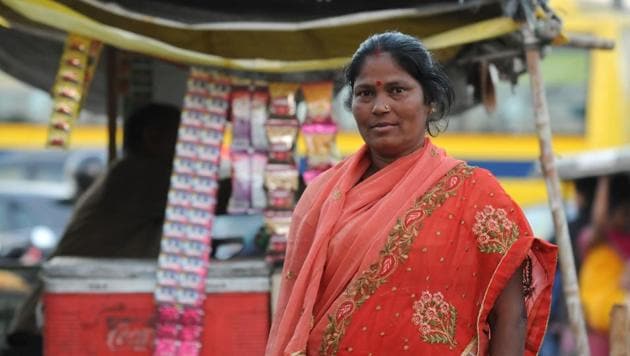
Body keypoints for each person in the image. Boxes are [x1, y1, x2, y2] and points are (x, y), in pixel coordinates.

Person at [266, 32, 558, 356]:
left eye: (397, 90)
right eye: (364, 93)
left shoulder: (476, 194)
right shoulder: (320, 198)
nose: (380, 107)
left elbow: (511, 317)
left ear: (429, 102)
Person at [5, 103, 181, 355]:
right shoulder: (140, 173)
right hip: (58, 324)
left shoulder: (134, 172)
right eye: (184, 137)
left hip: (66, 319)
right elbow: (214, 198)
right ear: (152, 138)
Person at [579, 173, 630, 356]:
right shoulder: (595, 241)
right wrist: (605, 180)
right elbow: (599, 221)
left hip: (619, 319)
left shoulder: (626, 242)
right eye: (623, 213)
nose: (626, 219)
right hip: (597, 322)